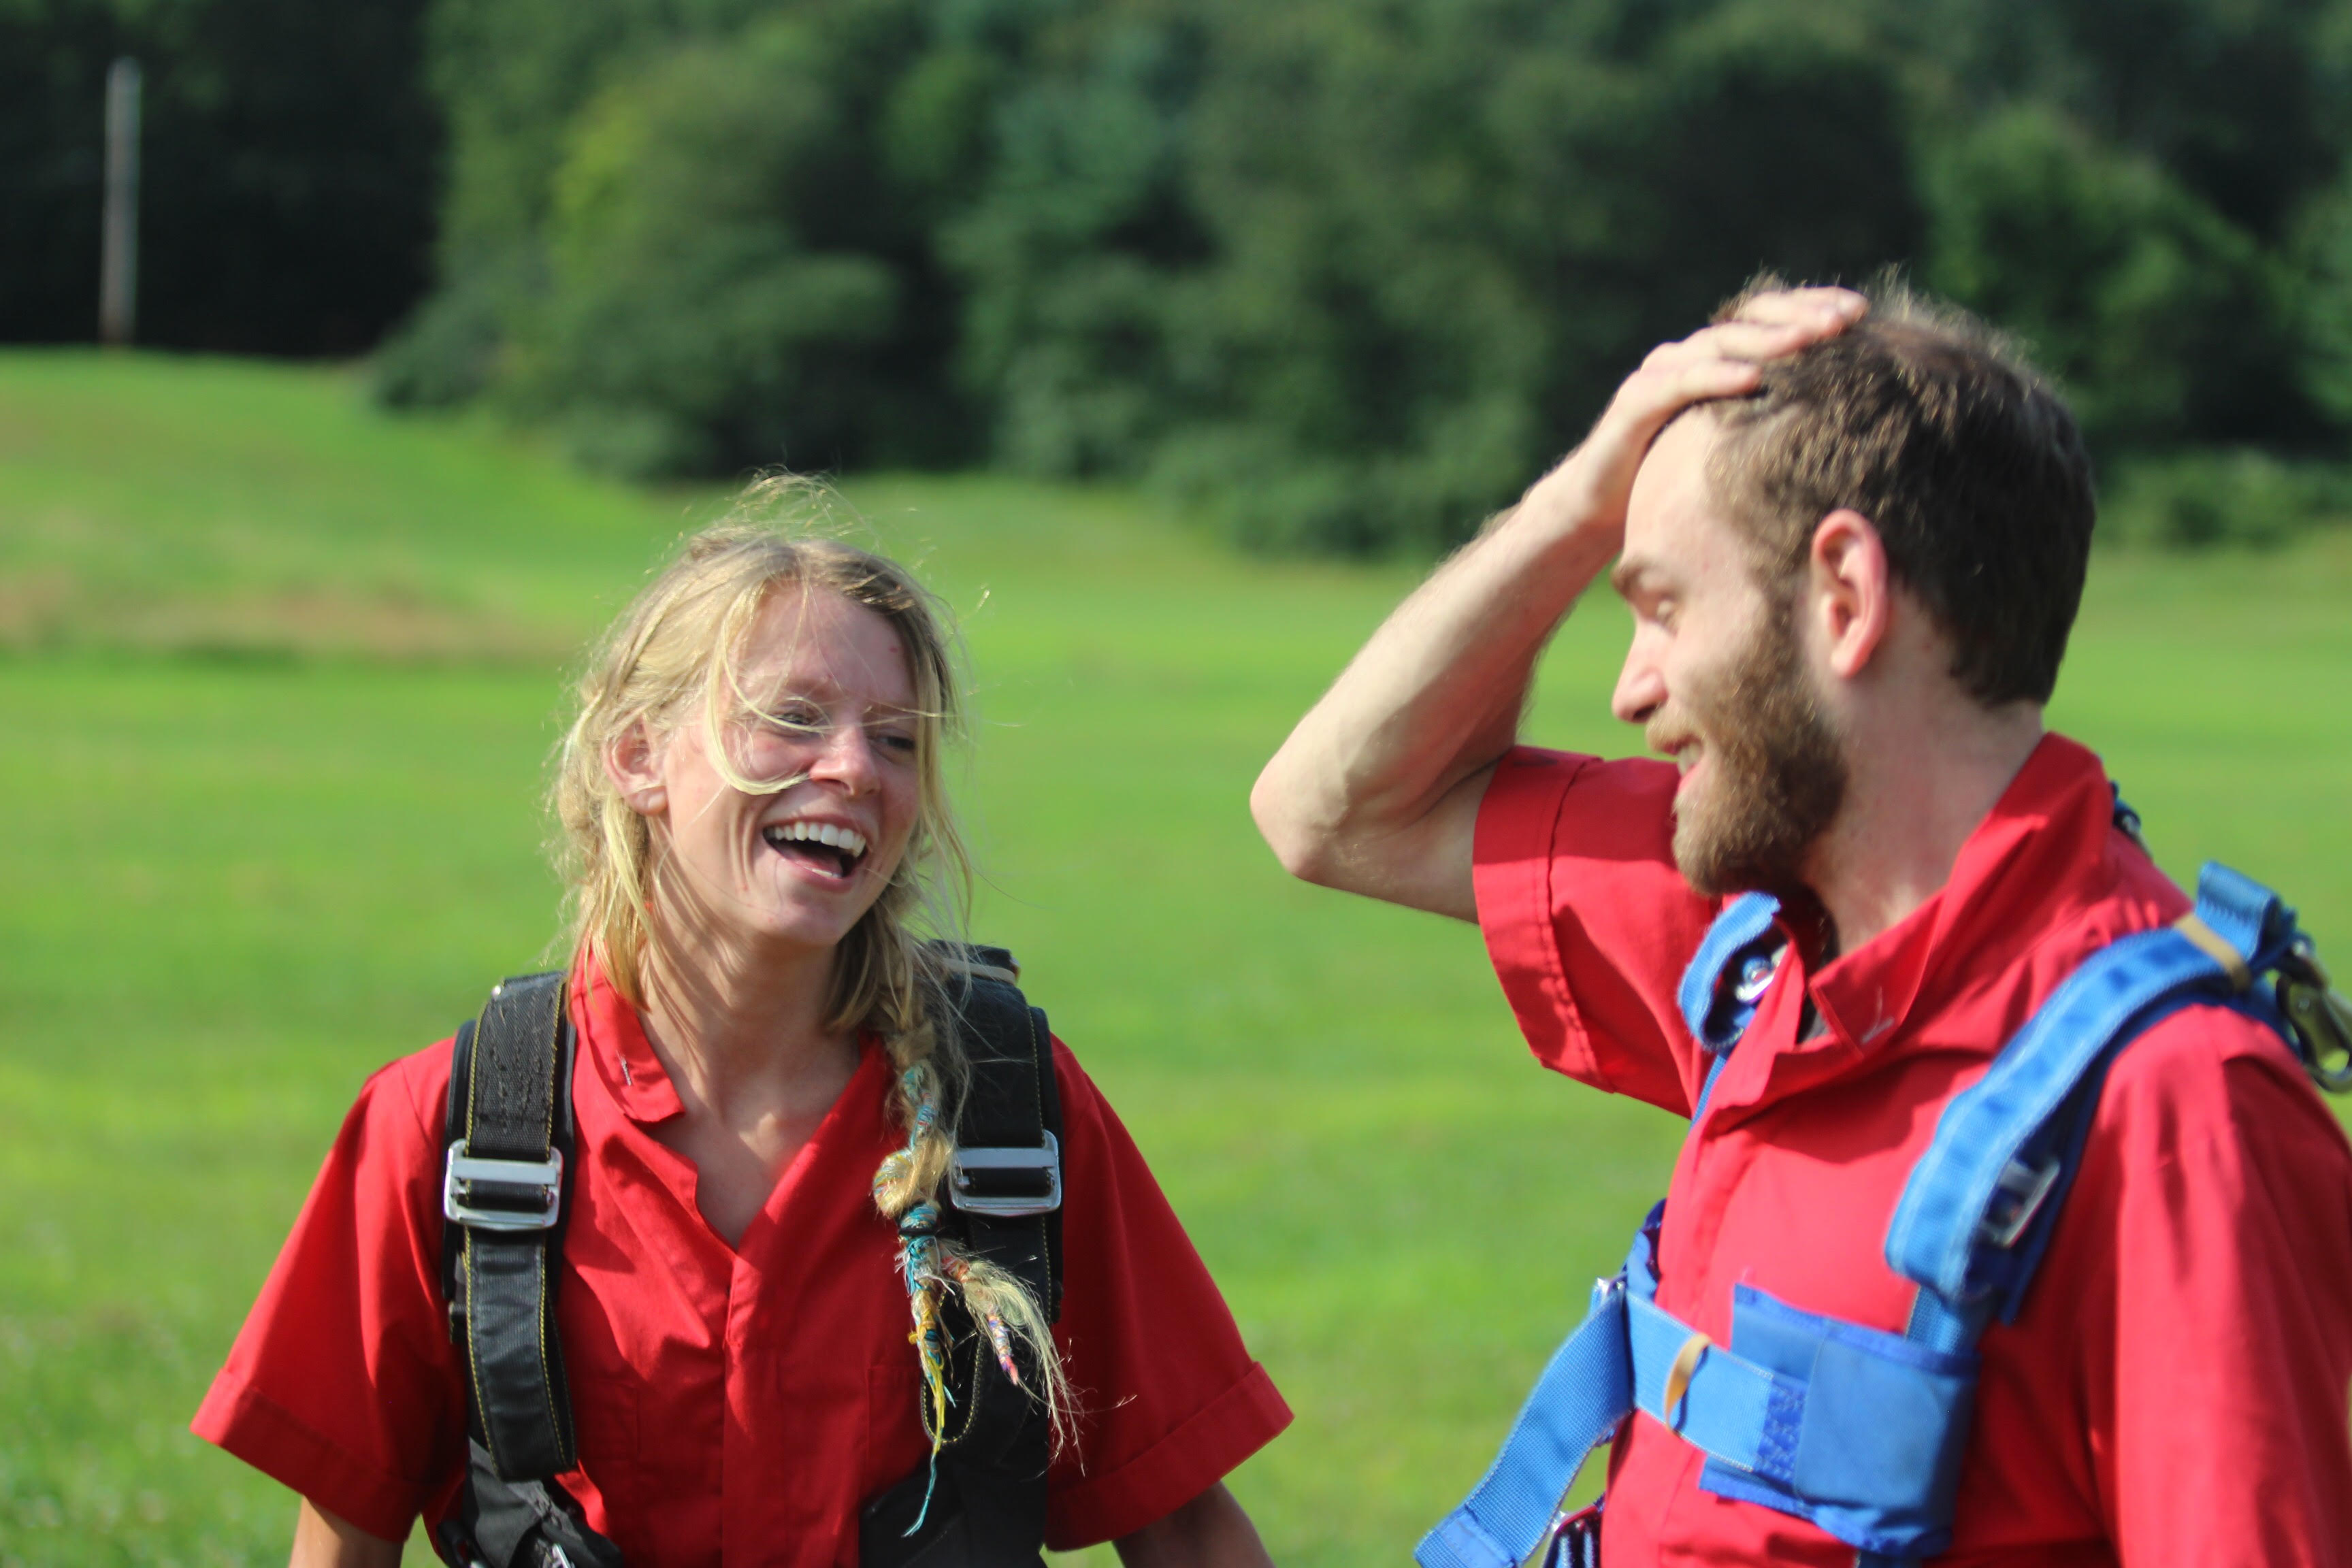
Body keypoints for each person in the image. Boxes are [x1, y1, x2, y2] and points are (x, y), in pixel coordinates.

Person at [1250, 280, 2352, 1565]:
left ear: (1844, 594)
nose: (1629, 687)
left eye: (1662, 605)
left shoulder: (2175, 1105)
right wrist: (1586, 497)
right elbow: (1334, 811)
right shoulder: (1754, 943)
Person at [195, 484, 1291, 1567]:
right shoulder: (456, 1132)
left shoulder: (1009, 1117)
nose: (856, 769)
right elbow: (342, 1541)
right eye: (793, 718)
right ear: (638, 756)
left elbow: (1184, 1527)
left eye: (898, 739)